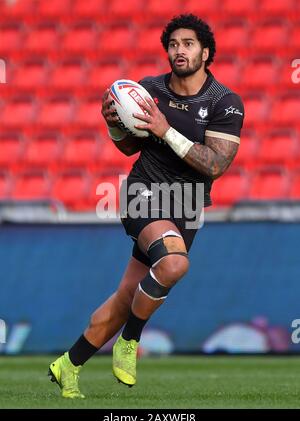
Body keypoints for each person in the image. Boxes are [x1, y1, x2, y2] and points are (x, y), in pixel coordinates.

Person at [48, 13, 244, 398]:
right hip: (144, 192)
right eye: (173, 45)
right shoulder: (148, 89)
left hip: (187, 206)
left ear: (205, 52)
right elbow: (129, 147)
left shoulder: (225, 102)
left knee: (127, 295)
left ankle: (68, 364)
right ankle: (129, 342)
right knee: (173, 264)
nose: (179, 51)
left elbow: (216, 165)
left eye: (187, 44)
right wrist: (114, 125)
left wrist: (164, 130)